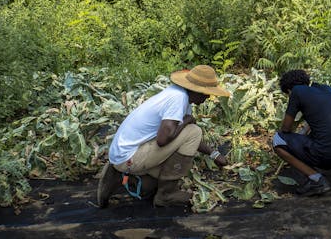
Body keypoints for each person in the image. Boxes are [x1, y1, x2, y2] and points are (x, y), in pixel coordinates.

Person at [97, 65, 231, 208]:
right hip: (130, 157)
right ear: (196, 90)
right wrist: (186, 122)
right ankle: (167, 194)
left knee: (154, 182)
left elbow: (182, 136)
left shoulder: (178, 95)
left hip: (124, 153)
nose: (207, 97)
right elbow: (163, 141)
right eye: (205, 93)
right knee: (194, 131)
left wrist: (214, 154)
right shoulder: (178, 99)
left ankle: (117, 176)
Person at [272, 69, 331, 196]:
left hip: (329, 155)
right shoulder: (327, 89)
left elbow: (286, 129)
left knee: (277, 140)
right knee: (329, 133)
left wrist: (297, 138)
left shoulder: (296, 92)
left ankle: (316, 180)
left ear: (289, 90)